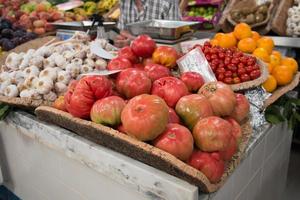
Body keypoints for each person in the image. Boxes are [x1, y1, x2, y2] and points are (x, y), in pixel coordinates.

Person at [114, 0, 182, 47]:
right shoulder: (124, 2)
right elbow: (123, 31)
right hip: (131, 60)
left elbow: (177, 42)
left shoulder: (167, 2)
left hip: (159, 59)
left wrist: (134, 43)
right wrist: (121, 40)